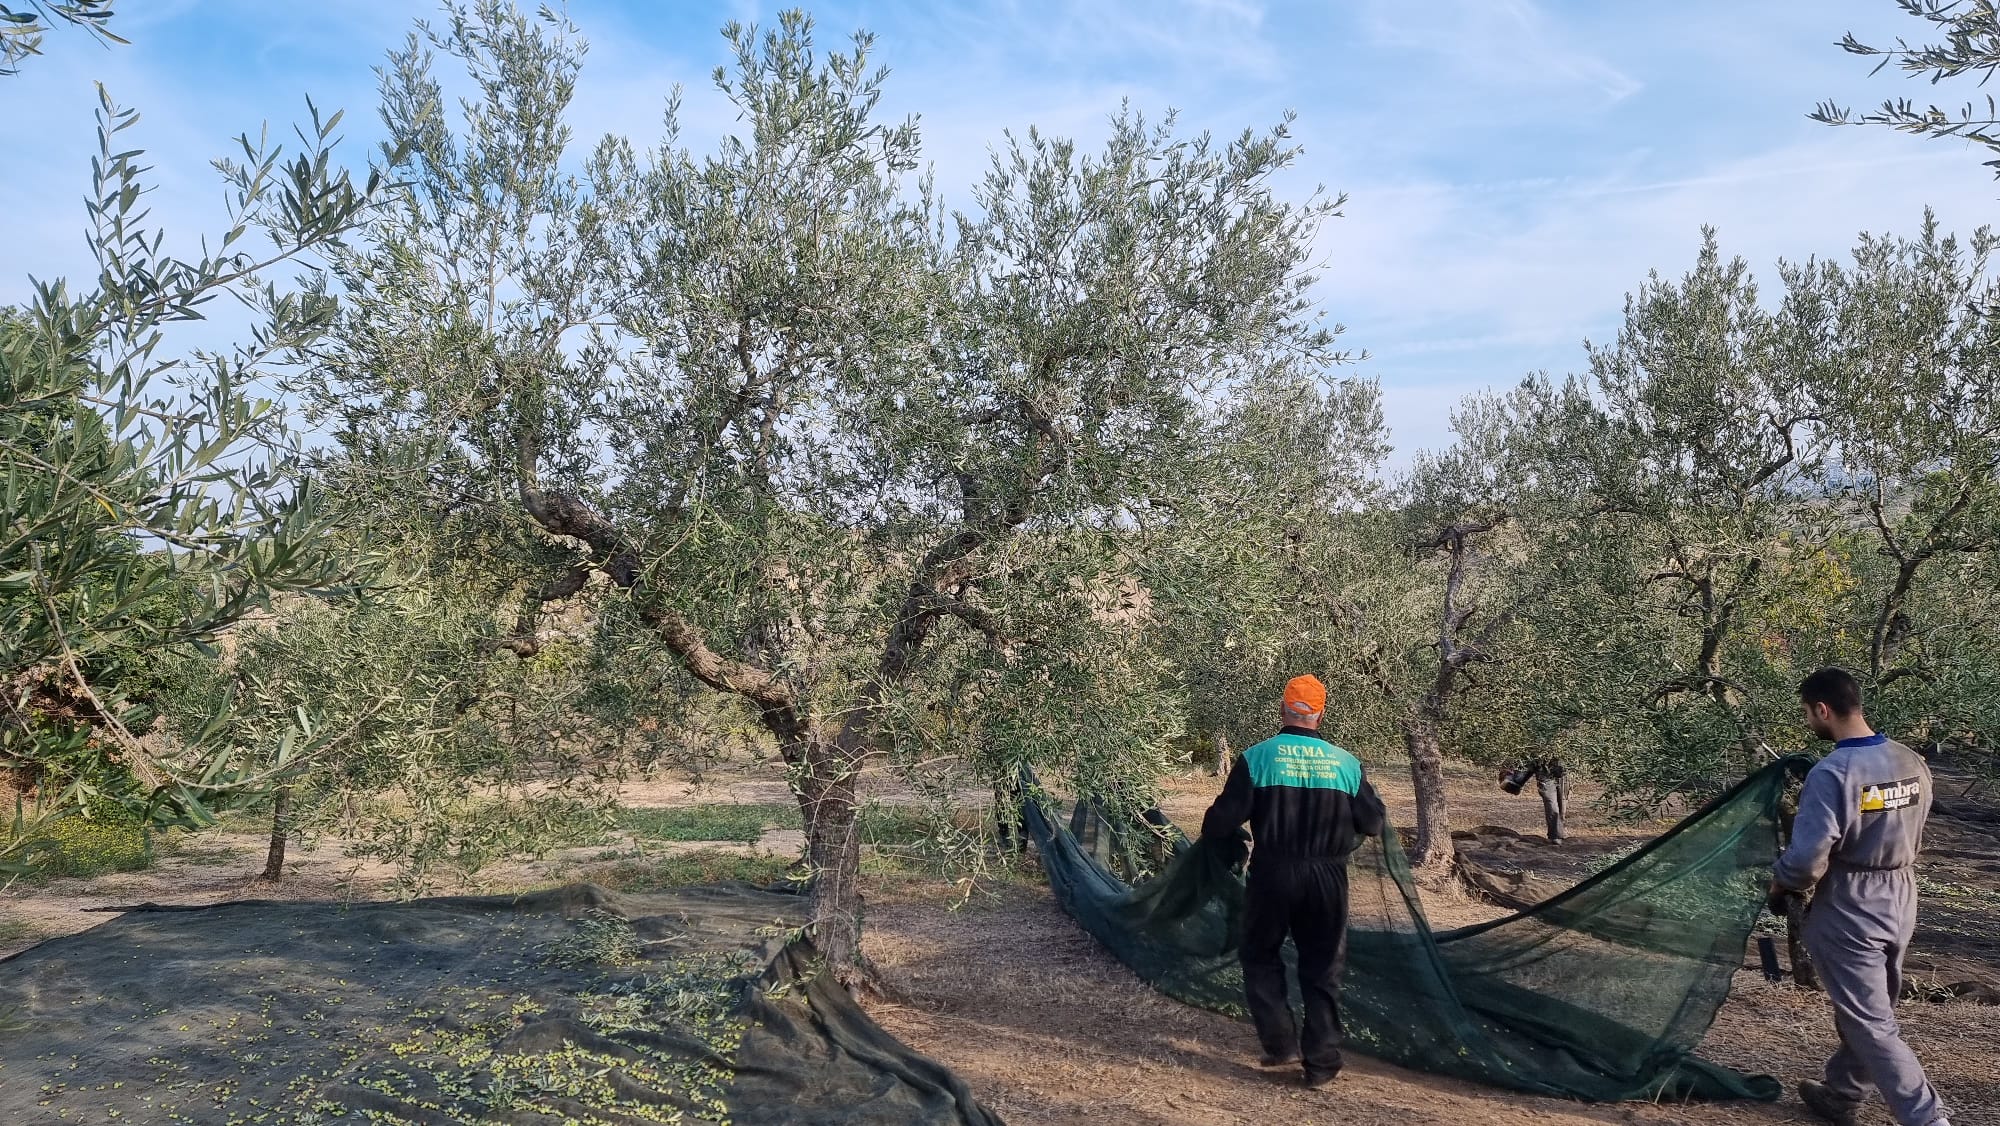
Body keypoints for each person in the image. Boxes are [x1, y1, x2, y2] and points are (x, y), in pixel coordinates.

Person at [1770, 668, 1952, 1126]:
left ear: (1822, 709)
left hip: (1853, 901)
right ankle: (1842, 1092)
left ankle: (1927, 1119)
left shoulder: (1833, 773)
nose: (1808, 719)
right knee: (1873, 1005)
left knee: (1871, 1021)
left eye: (1807, 712)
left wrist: (1782, 882)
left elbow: (1808, 858)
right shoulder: (1910, 760)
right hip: (1901, 894)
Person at [1200, 674, 1385, 1089]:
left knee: (1260, 953)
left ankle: (1280, 1043)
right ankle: (1320, 1064)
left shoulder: (1258, 758)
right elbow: (1372, 824)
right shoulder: (1346, 763)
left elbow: (1221, 822)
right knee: (1323, 965)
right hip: (1328, 876)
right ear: (1320, 713)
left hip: (1273, 872)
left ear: (1283, 708)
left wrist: (1218, 835)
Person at [1499, 757, 1570, 843]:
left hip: (1561, 769)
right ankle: (1555, 836)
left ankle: (1557, 834)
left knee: (1561, 804)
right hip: (1544, 771)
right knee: (1551, 802)